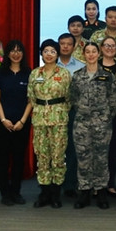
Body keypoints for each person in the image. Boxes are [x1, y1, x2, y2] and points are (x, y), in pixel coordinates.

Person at [70, 42, 116, 209]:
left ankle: (101, 191)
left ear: (99, 54)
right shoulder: (77, 76)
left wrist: (105, 117)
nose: (91, 55)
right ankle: (84, 191)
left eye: (94, 52)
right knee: (83, 158)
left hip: (102, 125)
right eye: (88, 52)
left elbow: (114, 99)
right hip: (82, 124)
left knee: (101, 158)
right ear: (83, 54)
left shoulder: (107, 76)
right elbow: (73, 98)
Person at [28, 39, 71, 209]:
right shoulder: (34, 74)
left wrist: (58, 110)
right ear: (41, 53)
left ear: (57, 54)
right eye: (46, 51)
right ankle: (44, 192)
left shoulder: (65, 73)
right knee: (42, 156)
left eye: (53, 51)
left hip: (59, 118)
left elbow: (69, 98)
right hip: (39, 119)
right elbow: (31, 97)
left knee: (58, 156)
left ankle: (55, 193)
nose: (49, 54)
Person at [0, 40, 32, 206]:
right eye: (12, 51)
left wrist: (22, 120)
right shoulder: (0, 74)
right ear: (7, 54)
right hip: (2, 123)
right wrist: (3, 119)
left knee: (18, 159)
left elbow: (31, 100)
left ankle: (16, 192)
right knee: (2, 159)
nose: (16, 54)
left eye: (19, 50)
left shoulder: (28, 73)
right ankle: (5, 193)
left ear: (23, 53)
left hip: (21, 123)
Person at [58, 33, 84, 198]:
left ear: (75, 46)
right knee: (56, 148)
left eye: (69, 44)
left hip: (75, 111)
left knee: (73, 149)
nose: (66, 46)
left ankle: (70, 184)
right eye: (62, 44)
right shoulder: (50, 64)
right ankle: (53, 184)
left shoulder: (81, 66)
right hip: (55, 111)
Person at [98, 36, 116, 197]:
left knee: (113, 150)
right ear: (101, 48)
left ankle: (110, 184)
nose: (109, 48)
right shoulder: (94, 66)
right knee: (97, 151)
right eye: (106, 45)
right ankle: (97, 185)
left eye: (112, 46)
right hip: (97, 116)